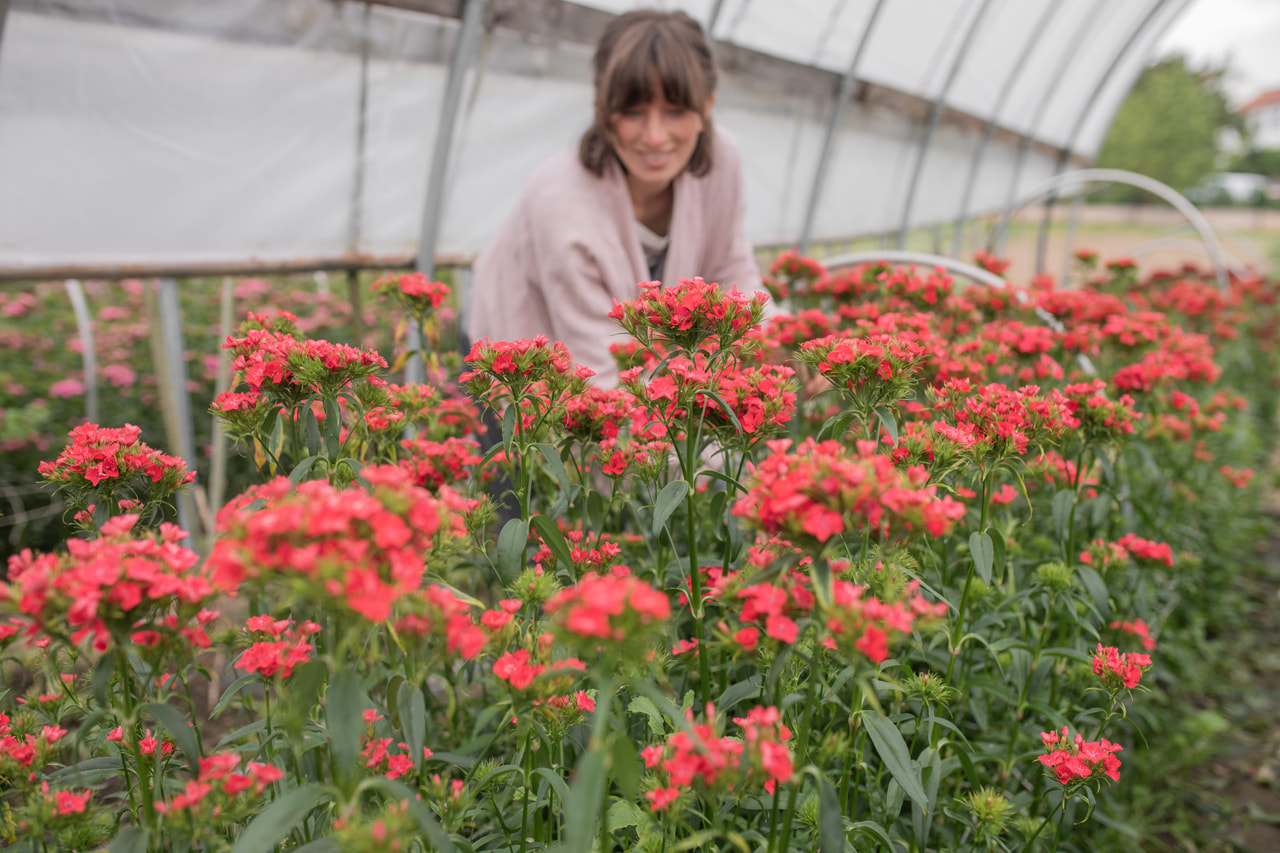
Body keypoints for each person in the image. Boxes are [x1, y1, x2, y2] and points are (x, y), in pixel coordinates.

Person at [466, 8, 767, 387]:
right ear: (604, 109)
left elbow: (731, 270)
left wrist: (784, 343)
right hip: (518, 369)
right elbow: (602, 378)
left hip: (629, 369)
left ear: (706, 106)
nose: (655, 137)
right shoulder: (562, 204)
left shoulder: (721, 161)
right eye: (634, 112)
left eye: (675, 111)